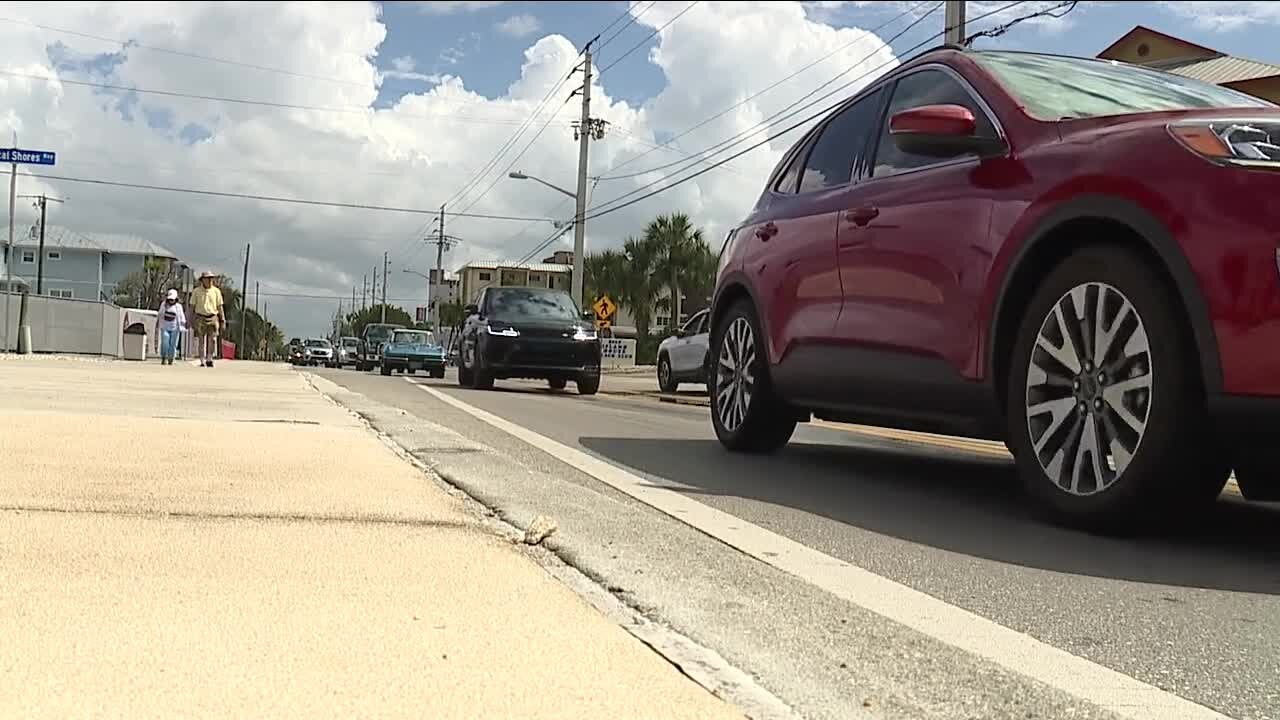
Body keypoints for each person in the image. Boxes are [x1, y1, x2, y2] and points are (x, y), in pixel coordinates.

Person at [190, 271, 225, 368]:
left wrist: (222, 319)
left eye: (211, 278)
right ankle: (202, 359)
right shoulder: (196, 291)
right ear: (202, 280)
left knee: (213, 339)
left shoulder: (216, 291)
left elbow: (219, 306)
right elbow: (192, 306)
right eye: (207, 278)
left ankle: (209, 358)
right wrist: (190, 319)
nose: (210, 280)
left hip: (213, 317)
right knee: (201, 340)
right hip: (200, 317)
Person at [154, 289, 187, 365]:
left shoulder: (179, 306)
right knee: (165, 342)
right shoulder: (163, 305)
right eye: (170, 299)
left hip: (175, 327)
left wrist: (183, 324)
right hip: (165, 326)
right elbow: (159, 314)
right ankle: (164, 357)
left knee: (173, 344)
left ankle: (171, 358)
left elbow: (181, 316)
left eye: (173, 299)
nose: (171, 301)